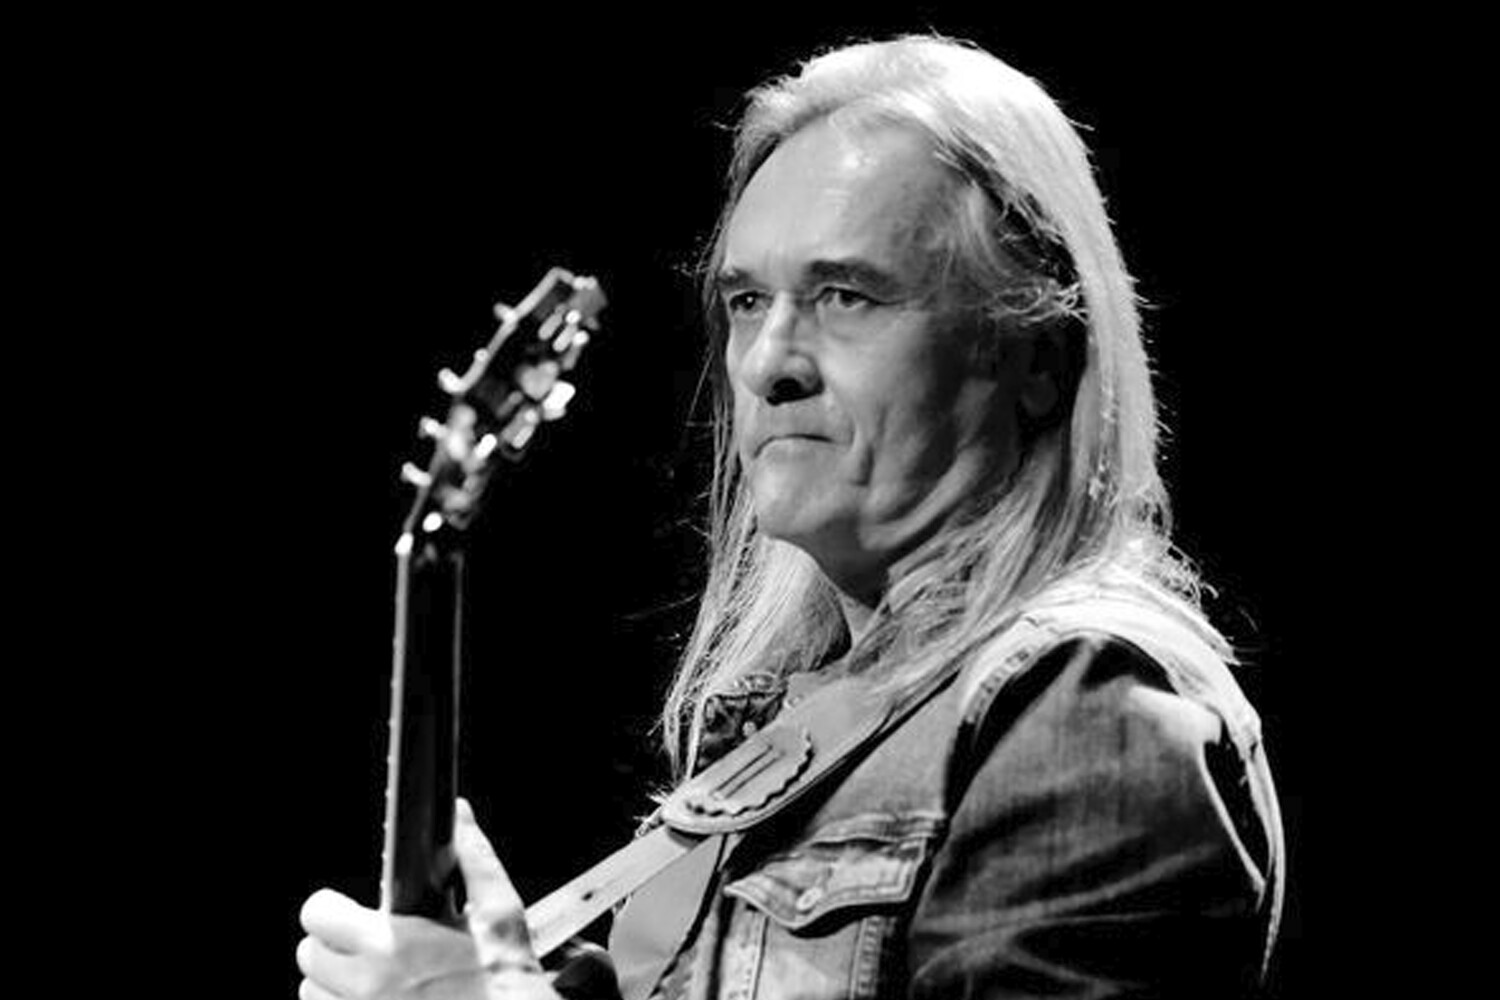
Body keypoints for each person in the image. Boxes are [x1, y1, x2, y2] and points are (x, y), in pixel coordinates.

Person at [297, 35, 1284, 999]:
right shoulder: (778, 734)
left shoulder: (1088, 712)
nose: (769, 363)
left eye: (846, 296)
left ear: (1036, 359)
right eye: (745, 302)